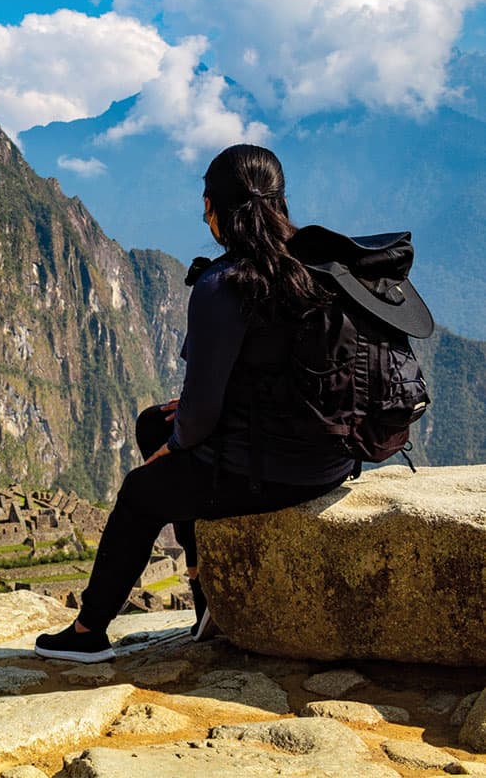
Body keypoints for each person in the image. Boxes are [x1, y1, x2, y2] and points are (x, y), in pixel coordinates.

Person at [35, 144, 355, 663]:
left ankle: (88, 629)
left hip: (278, 467)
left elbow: (202, 414)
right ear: (279, 201)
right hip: (332, 455)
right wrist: (178, 429)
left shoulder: (223, 283)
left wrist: (180, 443)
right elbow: (280, 369)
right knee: (151, 423)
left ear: (214, 209)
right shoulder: (311, 262)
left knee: (142, 492)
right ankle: (204, 590)